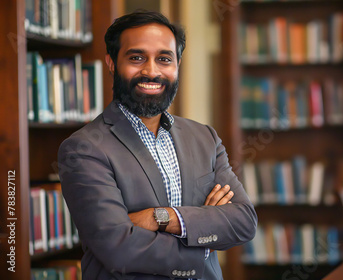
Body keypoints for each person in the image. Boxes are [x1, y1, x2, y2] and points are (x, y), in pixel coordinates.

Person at [58, 10, 257, 280]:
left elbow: (243, 221)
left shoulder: (204, 138)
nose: (151, 71)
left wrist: (161, 217)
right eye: (137, 57)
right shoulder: (84, 149)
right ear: (112, 62)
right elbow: (118, 247)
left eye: (164, 59)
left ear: (177, 65)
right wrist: (203, 239)